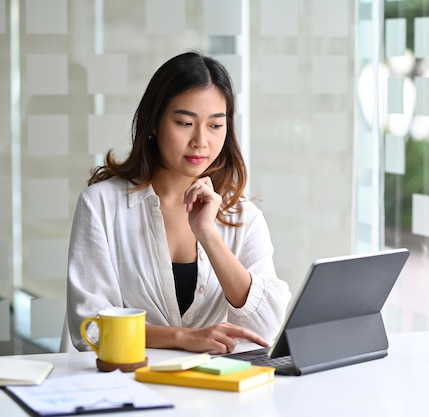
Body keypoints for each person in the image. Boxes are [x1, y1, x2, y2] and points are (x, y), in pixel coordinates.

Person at [66, 51, 291, 354]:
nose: (201, 140)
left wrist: (208, 235)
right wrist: (181, 338)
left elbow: (266, 327)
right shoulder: (101, 205)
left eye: (215, 125)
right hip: (132, 386)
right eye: (185, 123)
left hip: (219, 394)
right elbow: (89, 327)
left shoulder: (243, 216)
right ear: (155, 122)